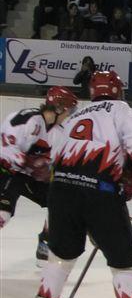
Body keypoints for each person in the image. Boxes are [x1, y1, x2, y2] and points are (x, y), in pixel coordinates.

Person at [27, 70, 132, 298]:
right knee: (122, 262)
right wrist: (128, 190)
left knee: (60, 256)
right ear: (118, 90)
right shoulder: (126, 112)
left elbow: (54, 158)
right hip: (100, 191)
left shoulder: (74, 117)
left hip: (60, 192)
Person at [0, 87, 78, 264]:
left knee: (60, 199)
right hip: (7, 172)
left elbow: (55, 162)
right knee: (2, 213)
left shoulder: (58, 132)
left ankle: (46, 242)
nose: (69, 114)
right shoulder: (29, 119)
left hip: (28, 176)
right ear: (59, 108)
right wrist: (28, 162)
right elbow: (4, 150)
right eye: (69, 110)